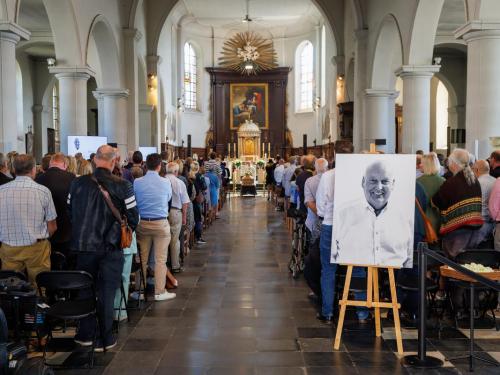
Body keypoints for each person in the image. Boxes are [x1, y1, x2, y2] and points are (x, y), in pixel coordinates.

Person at [68, 145, 139, 351]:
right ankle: (105, 338)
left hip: (83, 247)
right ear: (114, 161)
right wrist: (116, 235)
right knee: (108, 293)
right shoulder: (123, 185)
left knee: (85, 291)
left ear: (95, 159)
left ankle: (85, 335)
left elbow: (70, 211)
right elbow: (133, 219)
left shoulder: (77, 183)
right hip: (110, 248)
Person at [333, 160, 413, 267]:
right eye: (373, 181)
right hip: (355, 278)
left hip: (393, 279)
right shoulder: (341, 214)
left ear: (393, 184)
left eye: (385, 181)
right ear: (363, 182)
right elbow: (334, 254)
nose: (379, 187)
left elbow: (409, 258)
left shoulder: (405, 218)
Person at [0, 154, 57, 284]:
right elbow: (52, 226)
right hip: (37, 246)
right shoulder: (43, 191)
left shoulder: (1, 191)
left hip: (9, 247)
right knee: (39, 286)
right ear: (33, 169)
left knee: (10, 287)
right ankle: (39, 304)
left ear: (13, 169)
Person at [134, 153, 175, 301]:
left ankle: (140, 291)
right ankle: (159, 292)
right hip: (160, 223)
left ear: (146, 165)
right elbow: (169, 198)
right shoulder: (165, 182)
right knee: (160, 260)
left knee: (142, 259)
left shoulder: (137, 182)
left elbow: (135, 200)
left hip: (143, 223)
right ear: (159, 166)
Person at [432, 148, 483, 258]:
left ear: (454, 164)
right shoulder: (474, 180)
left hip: (457, 232)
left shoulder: (451, 183)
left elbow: (436, 201)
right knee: (468, 262)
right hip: (475, 229)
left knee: (454, 264)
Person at [35, 152, 76, 258]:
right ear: (65, 165)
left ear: (50, 164)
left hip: (44, 230)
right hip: (67, 230)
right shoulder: (72, 178)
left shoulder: (38, 179)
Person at [315, 163, 336, 324]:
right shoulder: (360, 171)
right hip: (354, 227)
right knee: (357, 268)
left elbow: (320, 208)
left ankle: (327, 312)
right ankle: (362, 313)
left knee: (328, 269)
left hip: (330, 224)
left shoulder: (328, 176)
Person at [165, 162, 190, 273]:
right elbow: (185, 202)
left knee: (163, 240)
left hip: (163, 213)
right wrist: (184, 216)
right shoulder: (179, 182)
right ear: (176, 171)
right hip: (176, 212)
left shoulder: (162, 181)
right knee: (174, 240)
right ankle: (175, 265)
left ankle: (164, 265)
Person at [417, 153, 445, 235]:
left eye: (421, 163)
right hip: (438, 220)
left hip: (421, 221)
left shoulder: (417, 182)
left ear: (427, 165)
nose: (420, 165)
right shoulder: (443, 181)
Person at [471, 159, 496, 246]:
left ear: (477, 170)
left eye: (472, 169)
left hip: (479, 225)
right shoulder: (495, 181)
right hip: (494, 224)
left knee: (476, 253)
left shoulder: (476, 184)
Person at [304, 158, 328, 243]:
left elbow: (309, 202)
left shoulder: (309, 181)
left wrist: (321, 216)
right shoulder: (333, 180)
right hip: (330, 221)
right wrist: (326, 216)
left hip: (313, 221)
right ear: (327, 167)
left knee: (314, 250)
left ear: (315, 168)